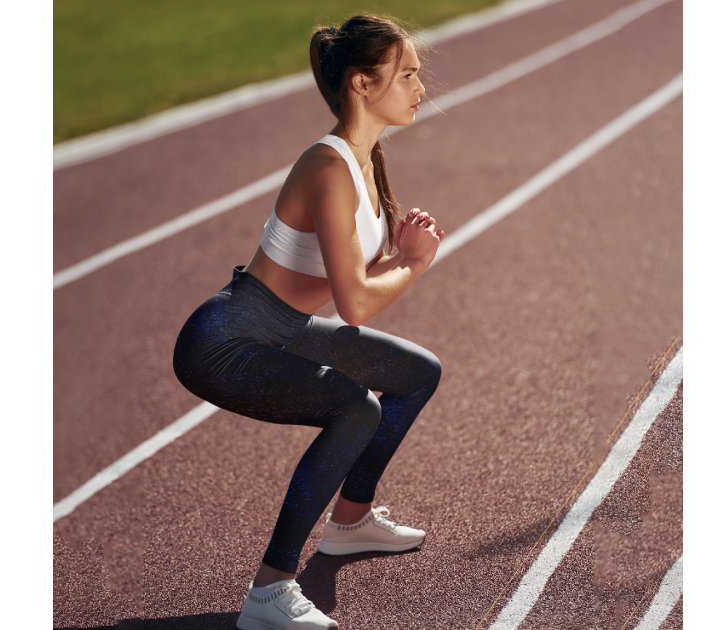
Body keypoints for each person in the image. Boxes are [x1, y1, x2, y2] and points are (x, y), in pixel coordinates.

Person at [173, 14, 444, 630]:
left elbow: (353, 269)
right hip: (225, 341)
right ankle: (269, 591)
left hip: (280, 327)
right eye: (406, 74)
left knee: (414, 374)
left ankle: (349, 521)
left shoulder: (365, 159)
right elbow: (355, 304)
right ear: (361, 84)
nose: (419, 85)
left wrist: (397, 249)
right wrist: (415, 263)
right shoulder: (329, 168)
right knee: (357, 408)